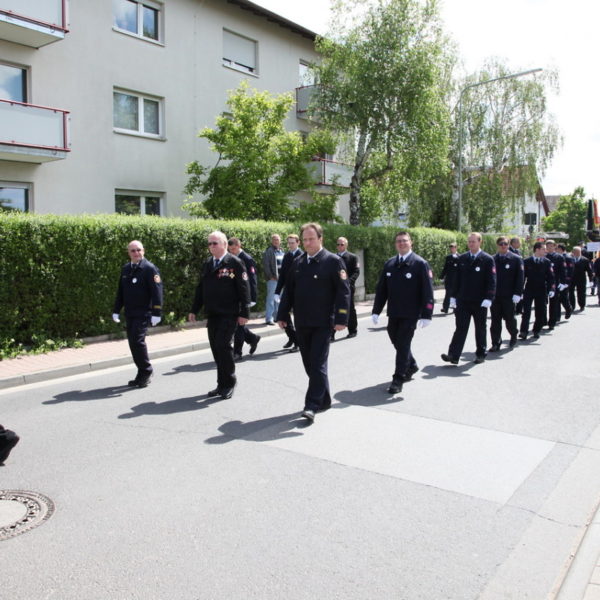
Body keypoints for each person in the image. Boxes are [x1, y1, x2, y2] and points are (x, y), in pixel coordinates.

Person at [276, 222, 350, 422]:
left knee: (317, 364)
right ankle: (324, 399)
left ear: (320, 239)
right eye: (305, 239)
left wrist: (342, 318)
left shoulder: (333, 262)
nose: (308, 243)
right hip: (302, 322)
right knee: (309, 364)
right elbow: (288, 292)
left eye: (312, 239)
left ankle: (311, 405)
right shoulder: (298, 263)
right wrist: (282, 315)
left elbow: (344, 293)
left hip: (323, 323)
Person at [188, 231, 250, 399]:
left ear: (224, 244)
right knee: (216, 349)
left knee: (223, 346)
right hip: (213, 313)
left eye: (215, 243)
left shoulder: (235, 262)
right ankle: (221, 383)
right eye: (209, 243)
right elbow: (201, 288)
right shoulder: (208, 263)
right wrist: (194, 309)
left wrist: (245, 312)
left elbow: (244, 288)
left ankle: (229, 382)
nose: (211, 246)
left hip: (229, 313)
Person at [372, 231, 434, 394]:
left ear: (411, 243)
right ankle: (411, 364)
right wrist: (376, 311)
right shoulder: (390, 264)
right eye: (398, 241)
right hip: (394, 312)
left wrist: (427, 314)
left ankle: (398, 378)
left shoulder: (420, 264)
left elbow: (427, 291)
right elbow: (382, 290)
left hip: (411, 313)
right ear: (395, 244)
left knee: (403, 344)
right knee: (397, 341)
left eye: (404, 241)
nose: (401, 243)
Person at [112, 240, 163, 387]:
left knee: (137, 342)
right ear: (129, 253)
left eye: (139, 250)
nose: (136, 253)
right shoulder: (126, 269)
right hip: (130, 312)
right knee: (133, 343)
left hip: (143, 312)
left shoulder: (149, 268)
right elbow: (121, 292)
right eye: (133, 251)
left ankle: (146, 371)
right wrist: (116, 310)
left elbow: (157, 291)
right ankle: (142, 372)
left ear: (144, 250)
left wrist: (156, 312)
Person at [441, 232, 496, 365]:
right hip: (463, 300)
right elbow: (457, 280)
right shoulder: (462, 258)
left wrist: (489, 297)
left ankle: (481, 353)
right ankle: (453, 355)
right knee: (460, 328)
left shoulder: (487, 259)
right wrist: (453, 296)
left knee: (480, 328)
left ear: (480, 242)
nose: (471, 244)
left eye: (473, 241)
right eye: (469, 241)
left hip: (480, 301)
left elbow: (492, 280)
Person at [488, 236, 524, 351]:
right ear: (497, 245)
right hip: (495, 295)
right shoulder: (492, 259)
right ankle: (496, 342)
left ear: (508, 245)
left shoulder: (516, 259)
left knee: (510, 319)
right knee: (495, 320)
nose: (503, 246)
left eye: (505, 244)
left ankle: (513, 334)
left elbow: (520, 278)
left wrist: (518, 293)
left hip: (509, 295)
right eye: (500, 244)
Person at [228, 237, 261, 360]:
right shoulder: (231, 259)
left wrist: (252, 298)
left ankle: (237, 353)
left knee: (239, 325)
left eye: (234, 248)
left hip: (244, 296)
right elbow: (232, 274)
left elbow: (252, 279)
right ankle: (253, 338)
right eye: (230, 249)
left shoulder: (247, 259)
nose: (232, 251)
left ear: (239, 245)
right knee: (237, 324)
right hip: (234, 296)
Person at [519, 241, 555, 340]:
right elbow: (522, 277)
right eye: (543, 249)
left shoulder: (546, 262)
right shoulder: (527, 261)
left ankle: (536, 330)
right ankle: (523, 331)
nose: (545, 251)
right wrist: (520, 290)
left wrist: (552, 288)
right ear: (537, 249)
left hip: (541, 289)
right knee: (526, 312)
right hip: (529, 289)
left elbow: (551, 277)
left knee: (540, 312)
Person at [274, 234, 303, 352]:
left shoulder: (302, 256)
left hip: (299, 291)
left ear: (298, 243)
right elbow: (282, 276)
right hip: (287, 290)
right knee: (282, 315)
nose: (290, 245)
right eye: (289, 243)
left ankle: (299, 343)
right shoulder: (286, 256)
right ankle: (292, 337)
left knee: (298, 317)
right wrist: (277, 291)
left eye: (293, 242)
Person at [335, 236, 360, 339]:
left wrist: (348, 282)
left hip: (348, 288)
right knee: (334, 309)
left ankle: (352, 330)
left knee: (349, 309)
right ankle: (331, 333)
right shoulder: (333, 257)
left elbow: (356, 271)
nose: (340, 246)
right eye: (338, 244)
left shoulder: (353, 257)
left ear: (346, 245)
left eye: (342, 244)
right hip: (335, 288)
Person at [262, 233, 284, 325]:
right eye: (274, 239)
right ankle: (268, 318)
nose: (276, 241)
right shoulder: (269, 251)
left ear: (280, 241)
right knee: (271, 299)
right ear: (272, 241)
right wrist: (271, 276)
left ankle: (276, 317)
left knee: (278, 299)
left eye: (277, 239)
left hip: (281, 279)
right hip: (273, 279)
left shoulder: (282, 251)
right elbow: (266, 265)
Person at [545, 240, 567, 329]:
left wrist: (563, 282)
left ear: (555, 247)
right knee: (542, 304)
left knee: (553, 303)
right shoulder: (544, 256)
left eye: (551, 246)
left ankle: (552, 322)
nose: (549, 248)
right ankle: (542, 320)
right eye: (547, 246)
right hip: (544, 282)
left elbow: (563, 271)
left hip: (555, 282)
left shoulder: (559, 257)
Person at [569, 246, 593, 311]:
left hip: (581, 279)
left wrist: (591, 280)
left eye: (579, 252)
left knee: (581, 293)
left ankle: (582, 305)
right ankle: (572, 306)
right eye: (576, 252)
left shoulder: (585, 260)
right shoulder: (570, 259)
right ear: (573, 252)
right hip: (572, 279)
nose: (578, 253)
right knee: (570, 292)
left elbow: (589, 270)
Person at [439, 242, 459, 313]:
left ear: (456, 248)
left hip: (457, 279)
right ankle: (445, 308)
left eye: (453, 247)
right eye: (451, 248)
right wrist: (441, 276)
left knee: (455, 294)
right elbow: (445, 268)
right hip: (449, 279)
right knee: (448, 293)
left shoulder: (460, 257)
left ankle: (455, 308)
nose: (452, 249)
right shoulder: (448, 257)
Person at [556, 243, 574, 319]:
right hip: (557, 281)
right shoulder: (556, 257)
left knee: (564, 298)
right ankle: (557, 316)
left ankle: (568, 309)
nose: (555, 250)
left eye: (556, 248)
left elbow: (570, 271)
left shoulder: (568, 258)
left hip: (564, 282)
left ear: (560, 249)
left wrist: (566, 283)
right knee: (556, 299)